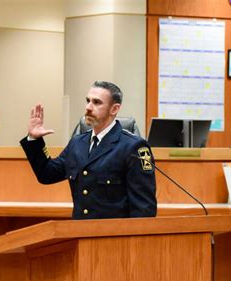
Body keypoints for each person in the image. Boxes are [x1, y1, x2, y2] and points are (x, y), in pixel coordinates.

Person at [20, 81, 156, 219]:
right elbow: (46, 174)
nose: (88, 107)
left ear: (114, 109)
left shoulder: (133, 147)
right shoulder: (77, 143)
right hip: (80, 234)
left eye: (97, 102)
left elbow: (143, 208)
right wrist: (34, 140)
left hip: (113, 237)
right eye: (88, 101)